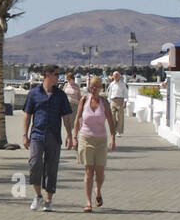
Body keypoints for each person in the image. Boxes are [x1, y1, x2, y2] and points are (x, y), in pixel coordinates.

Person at [21, 65, 74, 212]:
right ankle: (38, 196)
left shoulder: (60, 95)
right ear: (47, 75)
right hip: (37, 135)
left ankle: (48, 200)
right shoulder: (34, 93)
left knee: (51, 168)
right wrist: (25, 135)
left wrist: (69, 135)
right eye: (57, 74)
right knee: (35, 163)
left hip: (53, 136)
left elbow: (66, 117)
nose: (59, 77)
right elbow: (27, 115)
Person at [74, 75, 116, 212]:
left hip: (101, 140)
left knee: (100, 172)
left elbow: (110, 121)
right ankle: (88, 202)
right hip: (85, 138)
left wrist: (113, 138)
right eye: (91, 87)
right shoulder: (84, 100)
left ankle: (97, 190)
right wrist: (74, 136)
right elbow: (77, 118)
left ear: (100, 88)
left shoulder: (104, 103)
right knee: (88, 171)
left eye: (95, 87)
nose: (92, 90)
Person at [62, 72, 81, 148]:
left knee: (73, 124)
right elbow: (63, 94)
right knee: (67, 124)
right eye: (67, 79)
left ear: (72, 79)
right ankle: (68, 139)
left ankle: (71, 139)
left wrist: (81, 106)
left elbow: (79, 97)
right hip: (66, 106)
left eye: (69, 79)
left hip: (74, 106)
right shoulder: (66, 85)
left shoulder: (76, 86)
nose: (68, 81)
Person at [106, 70, 128, 135]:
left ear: (119, 76)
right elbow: (109, 93)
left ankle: (119, 131)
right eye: (114, 76)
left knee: (120, 116)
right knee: (112, 116)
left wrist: (125, 102)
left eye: (117, 76)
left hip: (120, 100)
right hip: (113, 101)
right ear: (113, 77)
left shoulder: (122, 84)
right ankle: (114, 129)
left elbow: (125, 93)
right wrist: (108, 101)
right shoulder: (111, 84)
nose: (115, 77)